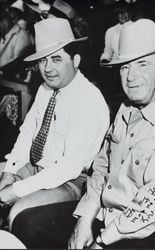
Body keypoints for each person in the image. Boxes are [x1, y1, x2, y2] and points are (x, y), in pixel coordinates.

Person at [11, 19, 155, 249]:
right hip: (110, 215)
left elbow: (154, 204)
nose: (131, 76)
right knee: (28, 223)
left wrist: (101, 241)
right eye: (125, 67)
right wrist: (85, 218)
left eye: (143, 65)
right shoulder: (127, 109)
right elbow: (100, 167)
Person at [0, 17, 109, 230]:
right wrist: (9, 172)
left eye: (56, 59)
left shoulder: (89, 100)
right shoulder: (45, 89)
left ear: (75, 60)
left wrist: (15, 190)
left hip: (71, 180)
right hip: (37, 168)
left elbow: (68, 168)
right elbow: (27, 131)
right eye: (43, 61)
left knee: (19, 213)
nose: (48, 68)